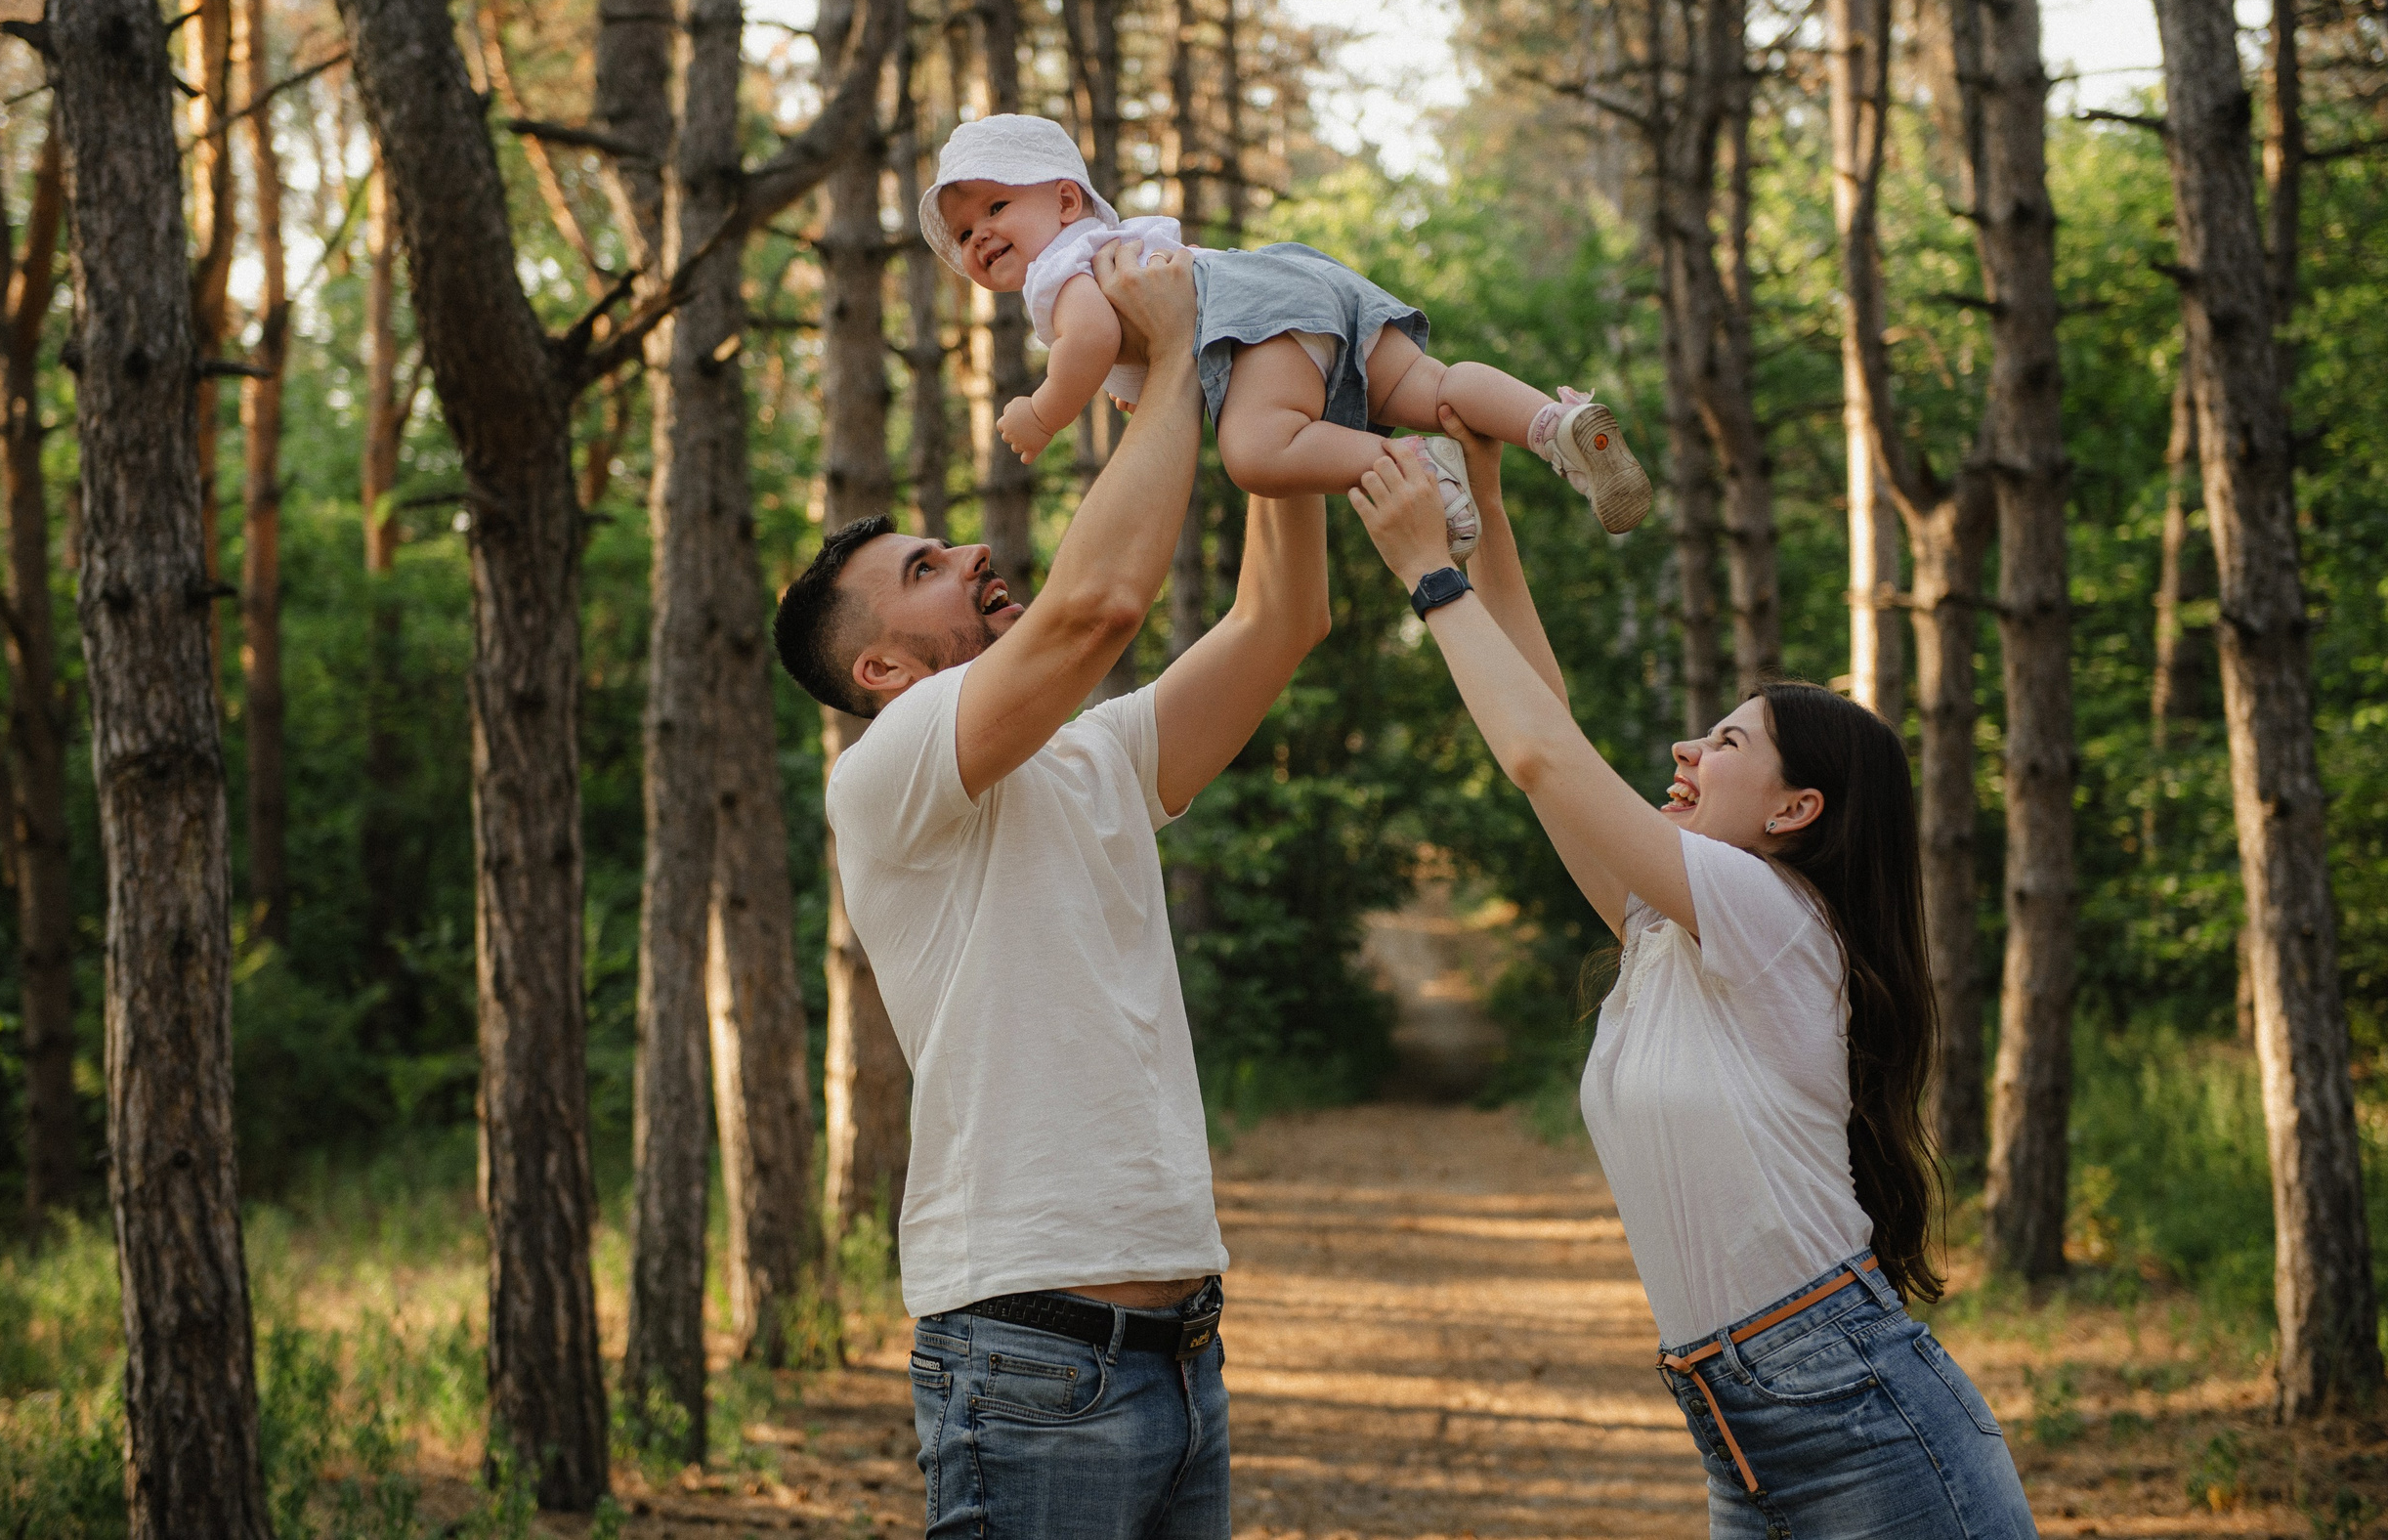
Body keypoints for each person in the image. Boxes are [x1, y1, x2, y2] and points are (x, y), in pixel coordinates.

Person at [1345, 419, 2038, 1539]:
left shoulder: (1770, 913)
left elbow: (1542, 755)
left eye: (1722, 741)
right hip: (1746, 1425)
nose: (1682, 751)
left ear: (1793, 809)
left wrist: (1430, 577)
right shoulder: (1671, 932)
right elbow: (1548, 738)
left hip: (1857, 1417)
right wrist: (1488, 508)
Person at [772, 240, 1329, 1539]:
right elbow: (1100, 607)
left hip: (1181, 1351)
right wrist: (1181, 356)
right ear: (885, 675)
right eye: (923, 572)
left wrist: (1281, 411)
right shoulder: (893, 769)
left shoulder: (1093, 756)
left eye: (945, 543)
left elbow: (1279, 622)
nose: (967, 554)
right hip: (1028, 1359)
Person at [919, 112, 1654, 559]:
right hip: (1303, 284)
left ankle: (1418, 468)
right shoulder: (1123, 242)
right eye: (961, 232)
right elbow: (1143, 349)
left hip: (1252, 325)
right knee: (1433, 383)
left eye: (995, 206)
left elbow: (1085, 342)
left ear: (1067, 200)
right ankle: (1554, 422)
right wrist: (1135, 393)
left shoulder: (1062, 268)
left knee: (1259, 450)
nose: (979, 235)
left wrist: (1046, 409)